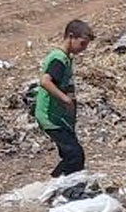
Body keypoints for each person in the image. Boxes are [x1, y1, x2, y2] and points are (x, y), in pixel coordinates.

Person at [36, 20, 94, 177]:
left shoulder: (66, 58)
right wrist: (65, 99)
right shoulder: (59, 59)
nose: (83, 49)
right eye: (82, 44)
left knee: (71, 155)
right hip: (50, 117)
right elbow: (45, 81)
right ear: (70, 36)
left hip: (59, 117)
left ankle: (62, 185)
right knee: (75, 156)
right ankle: (55, 185)